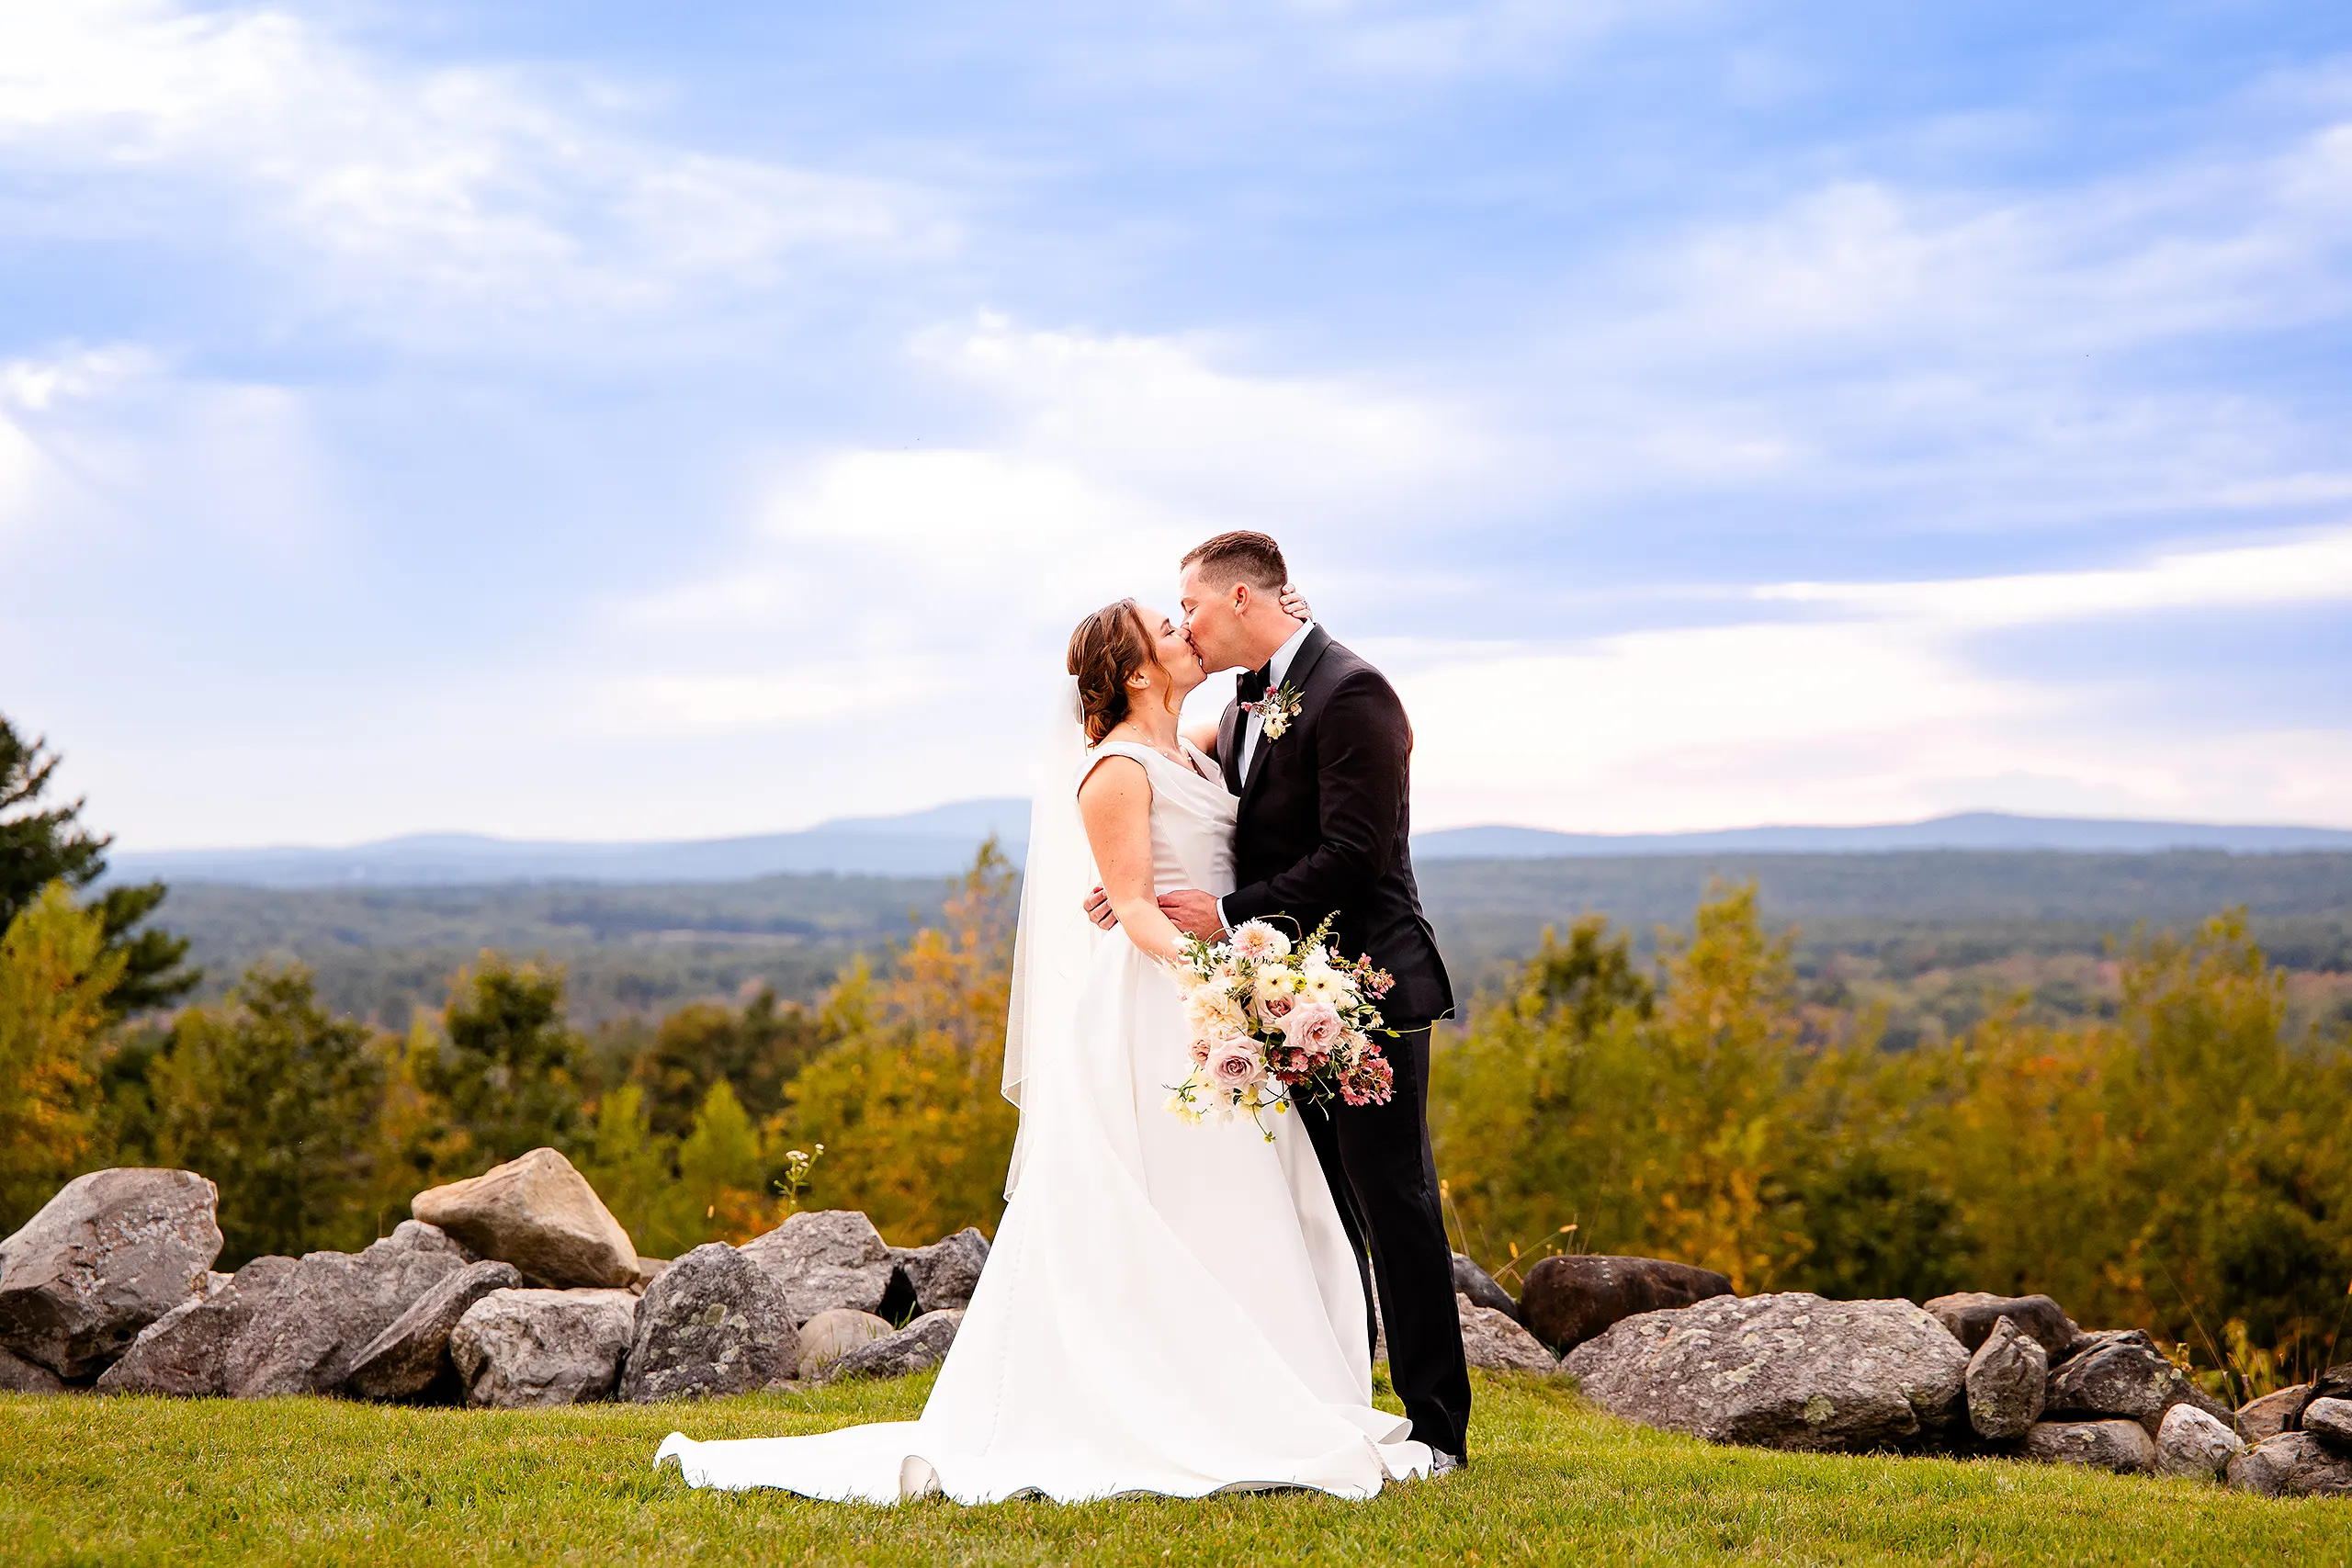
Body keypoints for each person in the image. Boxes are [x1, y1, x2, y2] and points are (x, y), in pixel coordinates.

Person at [654, 594, 1431, 1503]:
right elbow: (1135, 908)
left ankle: (1261, 1391)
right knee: (1179, 1201)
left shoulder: (1196, 747)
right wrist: (1226, 986)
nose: (1187, 636)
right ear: (1137, 671)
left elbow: (1275, 713)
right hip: (1163, 1009)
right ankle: (1173, 1403)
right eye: (1169, 629)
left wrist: (1294, 626)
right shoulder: (1112, 770)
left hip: (1213, 1011)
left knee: (1250, 1206)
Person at [1091, 530, 1470, 1472]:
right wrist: (1133, 880)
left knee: (1395, 1204)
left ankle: (1438, 1429)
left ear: (1245, 602)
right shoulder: (1247, 698)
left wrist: (1215, 914)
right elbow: (1191, 794)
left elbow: (1355, 855)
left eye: (1194, 607)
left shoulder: (1354, 692)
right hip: (1275, 993)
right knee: (1315, 1207)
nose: (1185, 624)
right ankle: (1327, 1399)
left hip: (1366, 987)